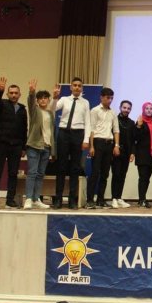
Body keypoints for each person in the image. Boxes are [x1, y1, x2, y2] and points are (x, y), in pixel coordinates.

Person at [0, 77, 27, 209]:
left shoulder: (22, 109)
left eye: (16, 93)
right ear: (7, 94)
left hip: (16, 146)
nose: (13, 95)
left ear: (20, 94)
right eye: (11, 93)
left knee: (13, 173)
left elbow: (24, 129)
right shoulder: (2, 104)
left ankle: (10, 200)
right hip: (1, 143)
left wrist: (23, 147)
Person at [53, 77, 91, 209]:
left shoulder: (85, 102)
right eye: (74, 85)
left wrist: (86, 140)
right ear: (70, 87)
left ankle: (72, 200)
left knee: (75, 168)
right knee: (61, 166)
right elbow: (53, 109)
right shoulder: (64, 99)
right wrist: (55, 98)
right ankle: (58, 199)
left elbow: (88, 122)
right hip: (64, 133)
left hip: (78, 134)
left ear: (82, 88)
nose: (77, 87)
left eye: (79, 86)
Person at [86, 87, 120, 209]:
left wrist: (116, 145)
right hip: (98, 142)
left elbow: (116, 130)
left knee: (105, 173)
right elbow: (91, 129)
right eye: (107, 98)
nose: (109, 100)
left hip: (109, 143)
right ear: (101, 97)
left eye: (111, 98)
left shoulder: (113, 113)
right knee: (95, 172)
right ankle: (90, 199)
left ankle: (100, 199)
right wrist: (91, 146)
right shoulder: (95, 110)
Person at [23, 79, 55, 210]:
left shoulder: (50, 114)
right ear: (37, 100)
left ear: (48, 100)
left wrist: (53, 150)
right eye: (40, 98)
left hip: (46, 147)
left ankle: (36, 199)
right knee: (32, 172)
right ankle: (28, 198)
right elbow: (30, 102)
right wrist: (32, 92)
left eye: (45, 98)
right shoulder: (34, 111)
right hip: (34, 146)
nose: (43, 100)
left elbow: (51, 132)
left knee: (41, 174)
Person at [110, 100, 134, 209]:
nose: (126, 110)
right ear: (120, 108)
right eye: (124, 107)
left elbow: (133, 140)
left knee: (123, 175)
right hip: (116, 151)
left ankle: (119, 197)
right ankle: (114, 198)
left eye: (128, 108)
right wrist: (115, 147)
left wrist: (132, 153)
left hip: (126, 153)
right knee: (116, 174)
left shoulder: (131, 123)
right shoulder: (115, 120)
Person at [134, 102, 152, 208]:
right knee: (143, 177)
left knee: (147, 178)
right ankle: (141, 199)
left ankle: (143, 198)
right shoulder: (140, 122)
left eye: (151, 108)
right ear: (143, 109)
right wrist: (138, 126)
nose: (149, 110)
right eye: (147, 108)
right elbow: (136, 138)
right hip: (142, 154)